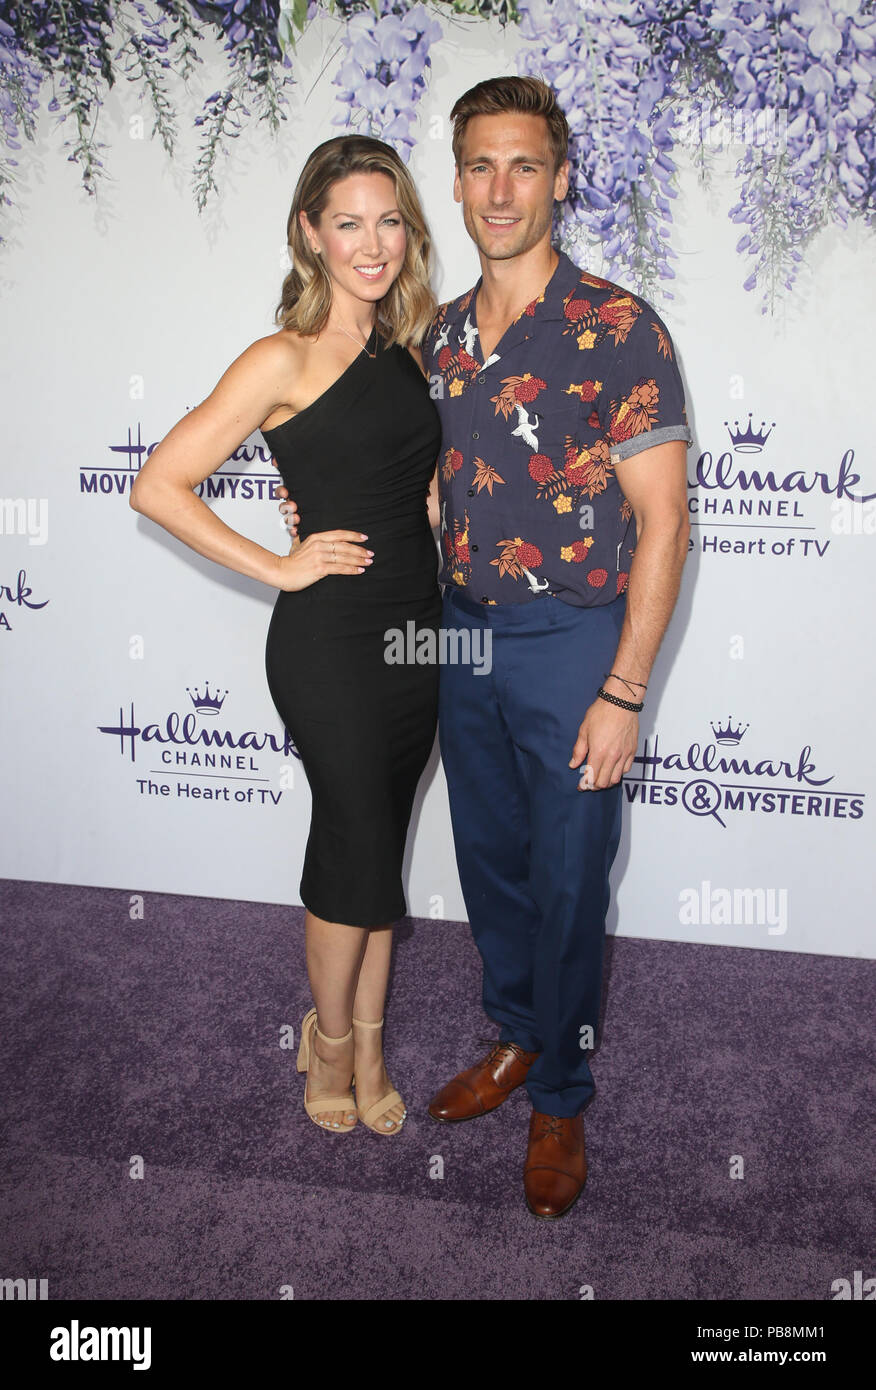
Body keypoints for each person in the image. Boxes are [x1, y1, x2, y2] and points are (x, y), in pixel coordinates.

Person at [277, 75, 692, 1217]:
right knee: (491, 863)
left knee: (568, 878)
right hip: (454, 638)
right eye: (478, 166)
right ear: (454, 184)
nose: (500, 189)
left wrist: (622, 687)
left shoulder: (620, 327)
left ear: (560, 178)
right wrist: (310, 518)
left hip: (572, 644)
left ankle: (560, 1091)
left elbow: (666, 522)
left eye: (523, 165)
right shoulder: (437, 337)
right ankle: (513, 1035)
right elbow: (393, 471)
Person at [130, 135, 443, 1139]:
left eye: (388, 220)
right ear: (310, 233)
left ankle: (370, 1036)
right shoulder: (281, 356)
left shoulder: (409, 347)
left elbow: (416, 483)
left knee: (382, 844)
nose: (372, 243)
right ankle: (332, 1041)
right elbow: (158, 484)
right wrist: (278, 565)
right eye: (347, 222)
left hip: (417, 633)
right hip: (330, 643)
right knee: (350, 836)